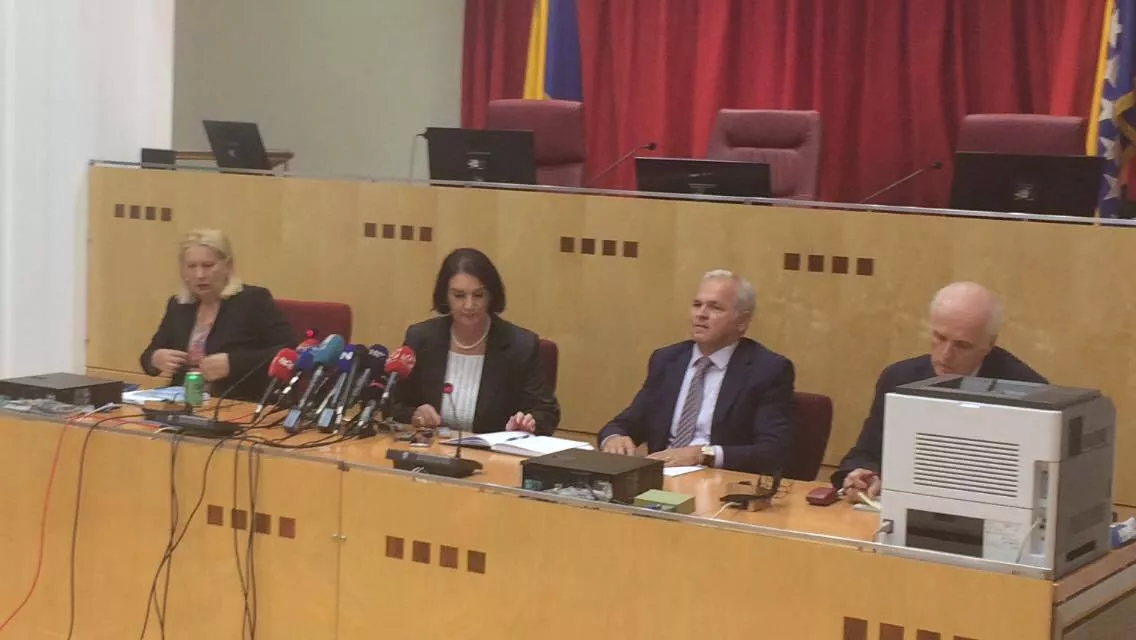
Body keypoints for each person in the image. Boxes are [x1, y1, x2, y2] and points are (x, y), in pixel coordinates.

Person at [832, 281, 1047, 500]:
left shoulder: (1029, 393)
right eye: (940, 338)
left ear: (989, 344)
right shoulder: (899, 379)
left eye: (962, 345)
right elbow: (864, 454)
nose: (945, 355)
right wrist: (863, 475)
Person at [597, 270, 794, 475]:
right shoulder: (667, 360)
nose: (701, 314)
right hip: (662, 477)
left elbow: (773, 452)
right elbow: (626, 423)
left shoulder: (767, 370)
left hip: (718, 480)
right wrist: (614, 438)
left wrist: (702, 454)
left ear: (742, 321)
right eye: (697, 305)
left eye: (715, 307)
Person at [388, 248, 560, 435]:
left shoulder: (520, 346)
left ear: (490, 296)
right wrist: (414, 415)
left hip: (493, 450)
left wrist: (528, 423)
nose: (469, 305)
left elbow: (546, 412)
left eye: (478, 295)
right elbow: (392, 404)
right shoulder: (421, 338)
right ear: (445, 296)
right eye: (459, 296)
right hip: (432, 448)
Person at [139, 229, 294, 402]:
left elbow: (290, 352)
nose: (199, 275)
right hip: (182, 400)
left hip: (236, 401)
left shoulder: (253, 301)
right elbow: (147, 357)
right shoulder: (179, 305)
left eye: (208, 266)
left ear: (227, 265)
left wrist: (233, 363)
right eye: (191, 267)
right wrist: (156, 358)